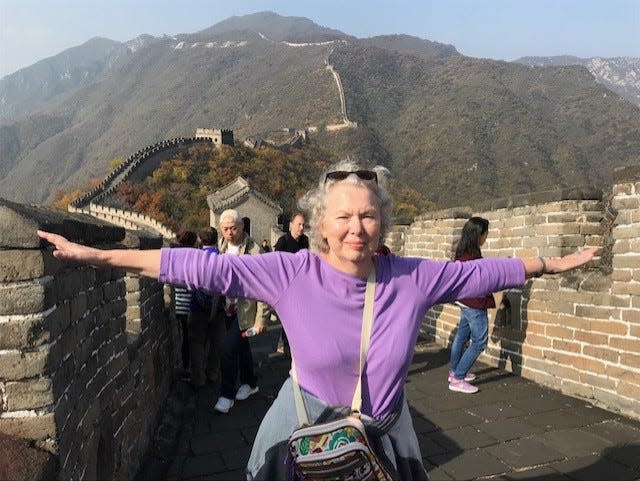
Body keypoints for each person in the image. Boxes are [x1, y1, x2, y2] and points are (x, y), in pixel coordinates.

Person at [37, 160, 598, 480]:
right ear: (322, 226)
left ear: (383, 224)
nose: (357, 228)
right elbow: (191, 265)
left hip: (384, 440)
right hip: (302, 434)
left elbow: (483, 275)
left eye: (369, 216)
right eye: (344, 217)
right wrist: (96, 255)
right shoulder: (290, 273)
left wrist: (549, 263)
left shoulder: (413, 277)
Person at [212, 210, 270, 414]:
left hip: (244, 310)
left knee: (227, 350)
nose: (229, 232)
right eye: (225, 229)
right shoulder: (222, 245)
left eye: (233, 228)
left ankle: (226, 395)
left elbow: (264, 286)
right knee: (241, 347)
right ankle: (250, 383)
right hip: (227, 305)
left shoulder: (254, 251)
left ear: (242, 226)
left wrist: (262, 319)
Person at [448, 216, 493, 394]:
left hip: (463, 301)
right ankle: (458, 378)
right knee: (479, 341)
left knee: (461, 336)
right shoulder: (473, 258)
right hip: (474, 303)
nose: (486, 237)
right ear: (478, 235)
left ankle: (454, 372)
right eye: (486, 234)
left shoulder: (461, 253)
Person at [189, 226, 223, 388]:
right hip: (218, 308)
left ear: (200, 240)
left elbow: (189, 283)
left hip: (197, 307)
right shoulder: (222, 259)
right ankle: (213, 373)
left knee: (197, 343)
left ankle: (198, 378)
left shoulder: (195, 258)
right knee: (216, 343)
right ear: (216, 240)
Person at [273, 212, 309, 355]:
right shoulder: (283, 241)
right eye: (299, 224)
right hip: (286, 284)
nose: (301, 227)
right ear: (291, 225)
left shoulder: (305, 241)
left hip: (301, 284)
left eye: (303, 225)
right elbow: (276, 263)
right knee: (288, 316)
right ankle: (286, 345)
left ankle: (295, 344)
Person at [172, 230, 197, 380]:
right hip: (192, 306)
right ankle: (190, 369)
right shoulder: (193, 257)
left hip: (179, 305)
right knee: (191, 339)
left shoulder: (175, 257)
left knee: (185, 338)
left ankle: (186, 367)